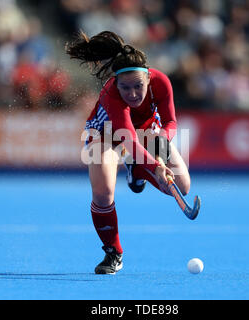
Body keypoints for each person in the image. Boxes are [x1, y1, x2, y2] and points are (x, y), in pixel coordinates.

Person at [66, 31, 191, 274]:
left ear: (148, 78)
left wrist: (162, 144)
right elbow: (128, 139)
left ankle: (137, 170)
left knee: (182, 186)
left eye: (138, 87)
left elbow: (171, 122)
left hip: (146, 132)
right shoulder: (111, 93)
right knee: (103, 193)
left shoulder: (162, 82)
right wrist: (155, 165)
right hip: (105, 134)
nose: (132, 94)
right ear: (116, 83)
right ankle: (113, 252)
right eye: (126, 88)